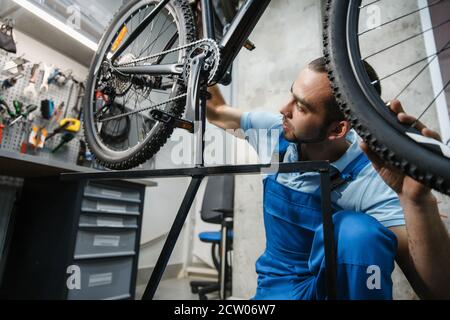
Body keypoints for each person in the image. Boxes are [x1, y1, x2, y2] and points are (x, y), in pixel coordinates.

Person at [205, 57, 450, 299]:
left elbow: (440, 290)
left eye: (300, 107)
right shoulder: (273, 131)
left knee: (357, 231)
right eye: (292, 94)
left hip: (328, 292)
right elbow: (216, 112)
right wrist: (201, 57)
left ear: (337, 129)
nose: (283, 109)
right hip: (274, 290)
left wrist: (417, 200)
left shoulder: (371, 179)